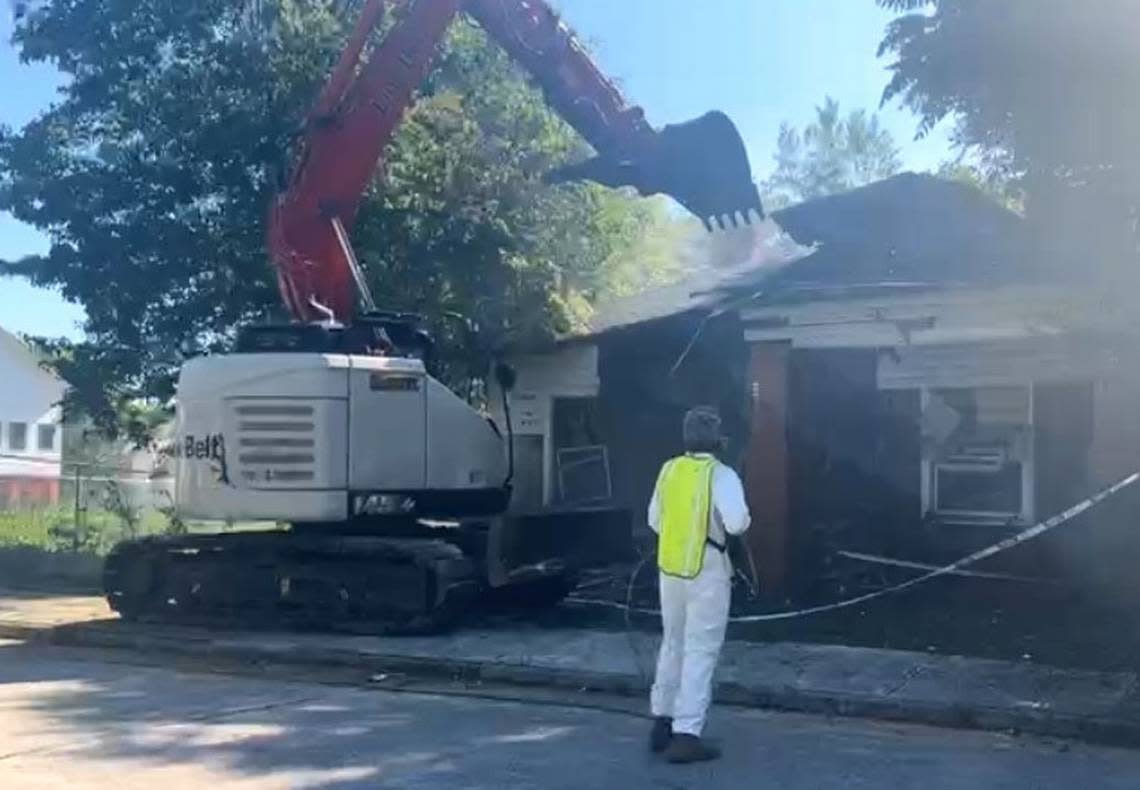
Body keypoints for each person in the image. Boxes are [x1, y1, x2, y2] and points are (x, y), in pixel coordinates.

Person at [647, 406, 751, 763]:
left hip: (671, 569)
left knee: (672, 643)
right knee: (700, 650)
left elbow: (654, 520)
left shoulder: (669, 470)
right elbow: (737, 524)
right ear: (718, 439)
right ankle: (687, 734)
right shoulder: (721, 476)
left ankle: (661, 721)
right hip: (706, 569)